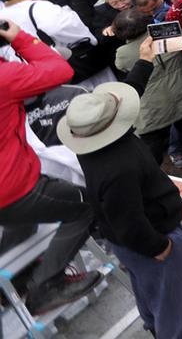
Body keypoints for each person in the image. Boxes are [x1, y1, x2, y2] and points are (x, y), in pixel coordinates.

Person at [58, 81, 182, 339]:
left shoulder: (93, 152)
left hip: (130, 243)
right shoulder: (119, 168)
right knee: (181, 317)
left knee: (154, 300)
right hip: (153, 240)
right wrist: (159, 248)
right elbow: (130, 222)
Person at [0, 18, 97, 317]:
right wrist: (20, 38)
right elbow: (61, 70)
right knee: (89, 206)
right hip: (14, 187)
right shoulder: (5, 77)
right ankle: (45, 286)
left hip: (10, 188)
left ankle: (16, 280)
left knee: (24, 223)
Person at [111, 8, 182, 167]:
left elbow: (121, 67)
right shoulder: (167, 33)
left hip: (152, 101)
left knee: (151, 140)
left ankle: (153, 172)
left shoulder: (122, 53)